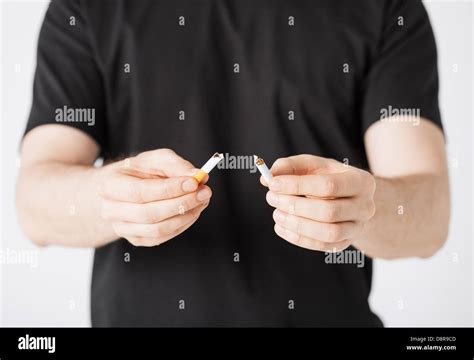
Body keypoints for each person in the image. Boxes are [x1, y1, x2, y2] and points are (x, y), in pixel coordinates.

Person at [16, 0, 450, 327]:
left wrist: (366, 207)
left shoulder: (387, 7)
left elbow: (430, 218)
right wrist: (107, 198)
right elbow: (34, 205)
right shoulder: (86, 7)